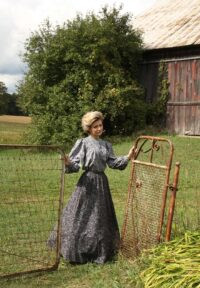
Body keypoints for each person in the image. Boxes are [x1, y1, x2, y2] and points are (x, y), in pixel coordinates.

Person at [48, 111, 135, 264]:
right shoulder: (83, 143)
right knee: (80, 214)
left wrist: (128, 157)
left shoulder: (106, 145)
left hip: (102, 182)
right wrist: (68, 162)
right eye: (95, 126)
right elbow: (74, 166)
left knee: (100, 217)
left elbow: (113, 163)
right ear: (89, 128)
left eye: (100, 125)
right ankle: (73, 249)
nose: (99, 129)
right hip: (87, 182)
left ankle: (99, 250)